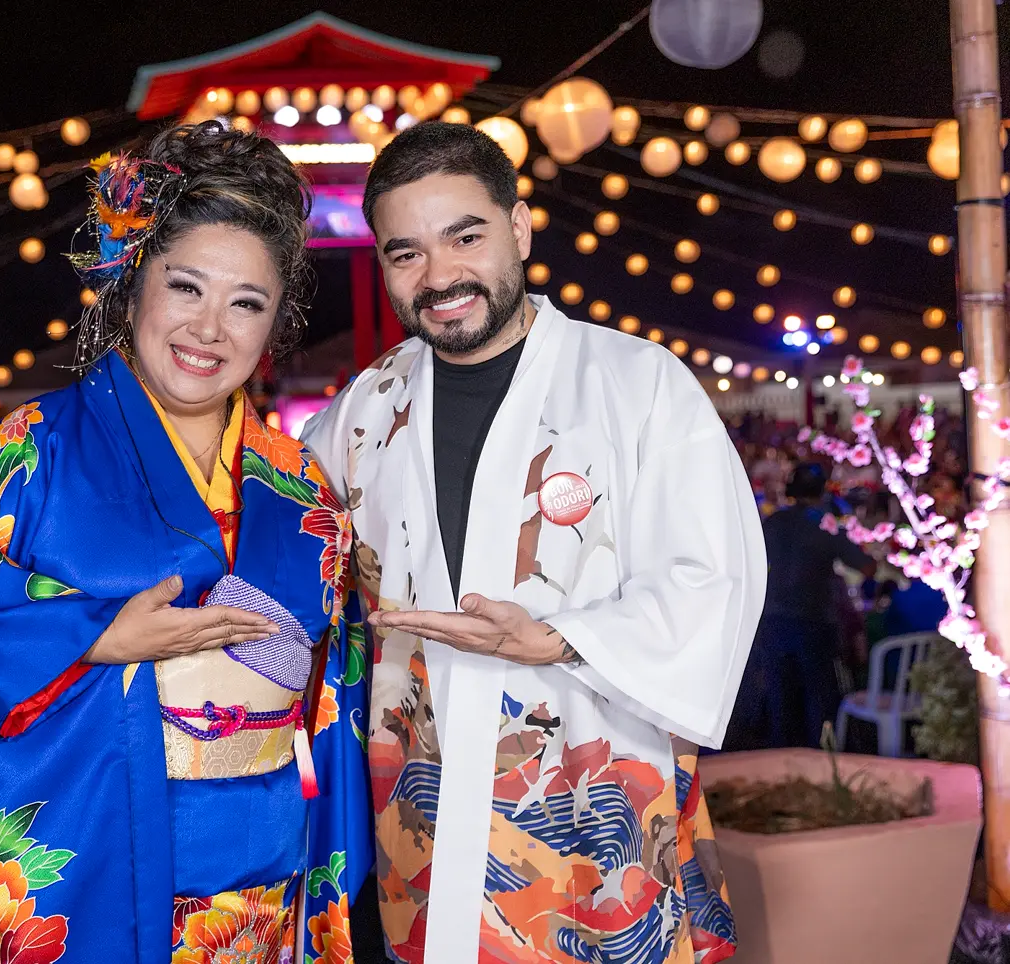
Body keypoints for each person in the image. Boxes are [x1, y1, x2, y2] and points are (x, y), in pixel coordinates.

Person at [0, 122, 371, 964]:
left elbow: (332, 702)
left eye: (247, 303)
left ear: (275, 323)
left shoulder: (302, 490)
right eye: (186, 288)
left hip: (256, 895)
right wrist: (99, 637)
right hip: (87, 863)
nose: (210, 329)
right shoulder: (37, 448)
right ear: (134, 284)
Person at [303, 122, 767, 963]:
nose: (439, 277)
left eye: (465, 237)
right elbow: (291, 557)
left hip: (594, 808)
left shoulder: (638, 383)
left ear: (519, 228)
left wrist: (555, 637)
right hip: (419, 805)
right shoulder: (362, 412)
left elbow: (714, 578)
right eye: (405, 253)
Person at [731, 462, 877, 750]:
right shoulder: (825, 524)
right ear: (822, 491)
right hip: (814, 619)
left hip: (772, 618)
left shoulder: (773, 522)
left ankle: (778, 763)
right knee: (817, 698)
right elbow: (867, 566)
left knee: (780, 698)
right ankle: (819, 765)